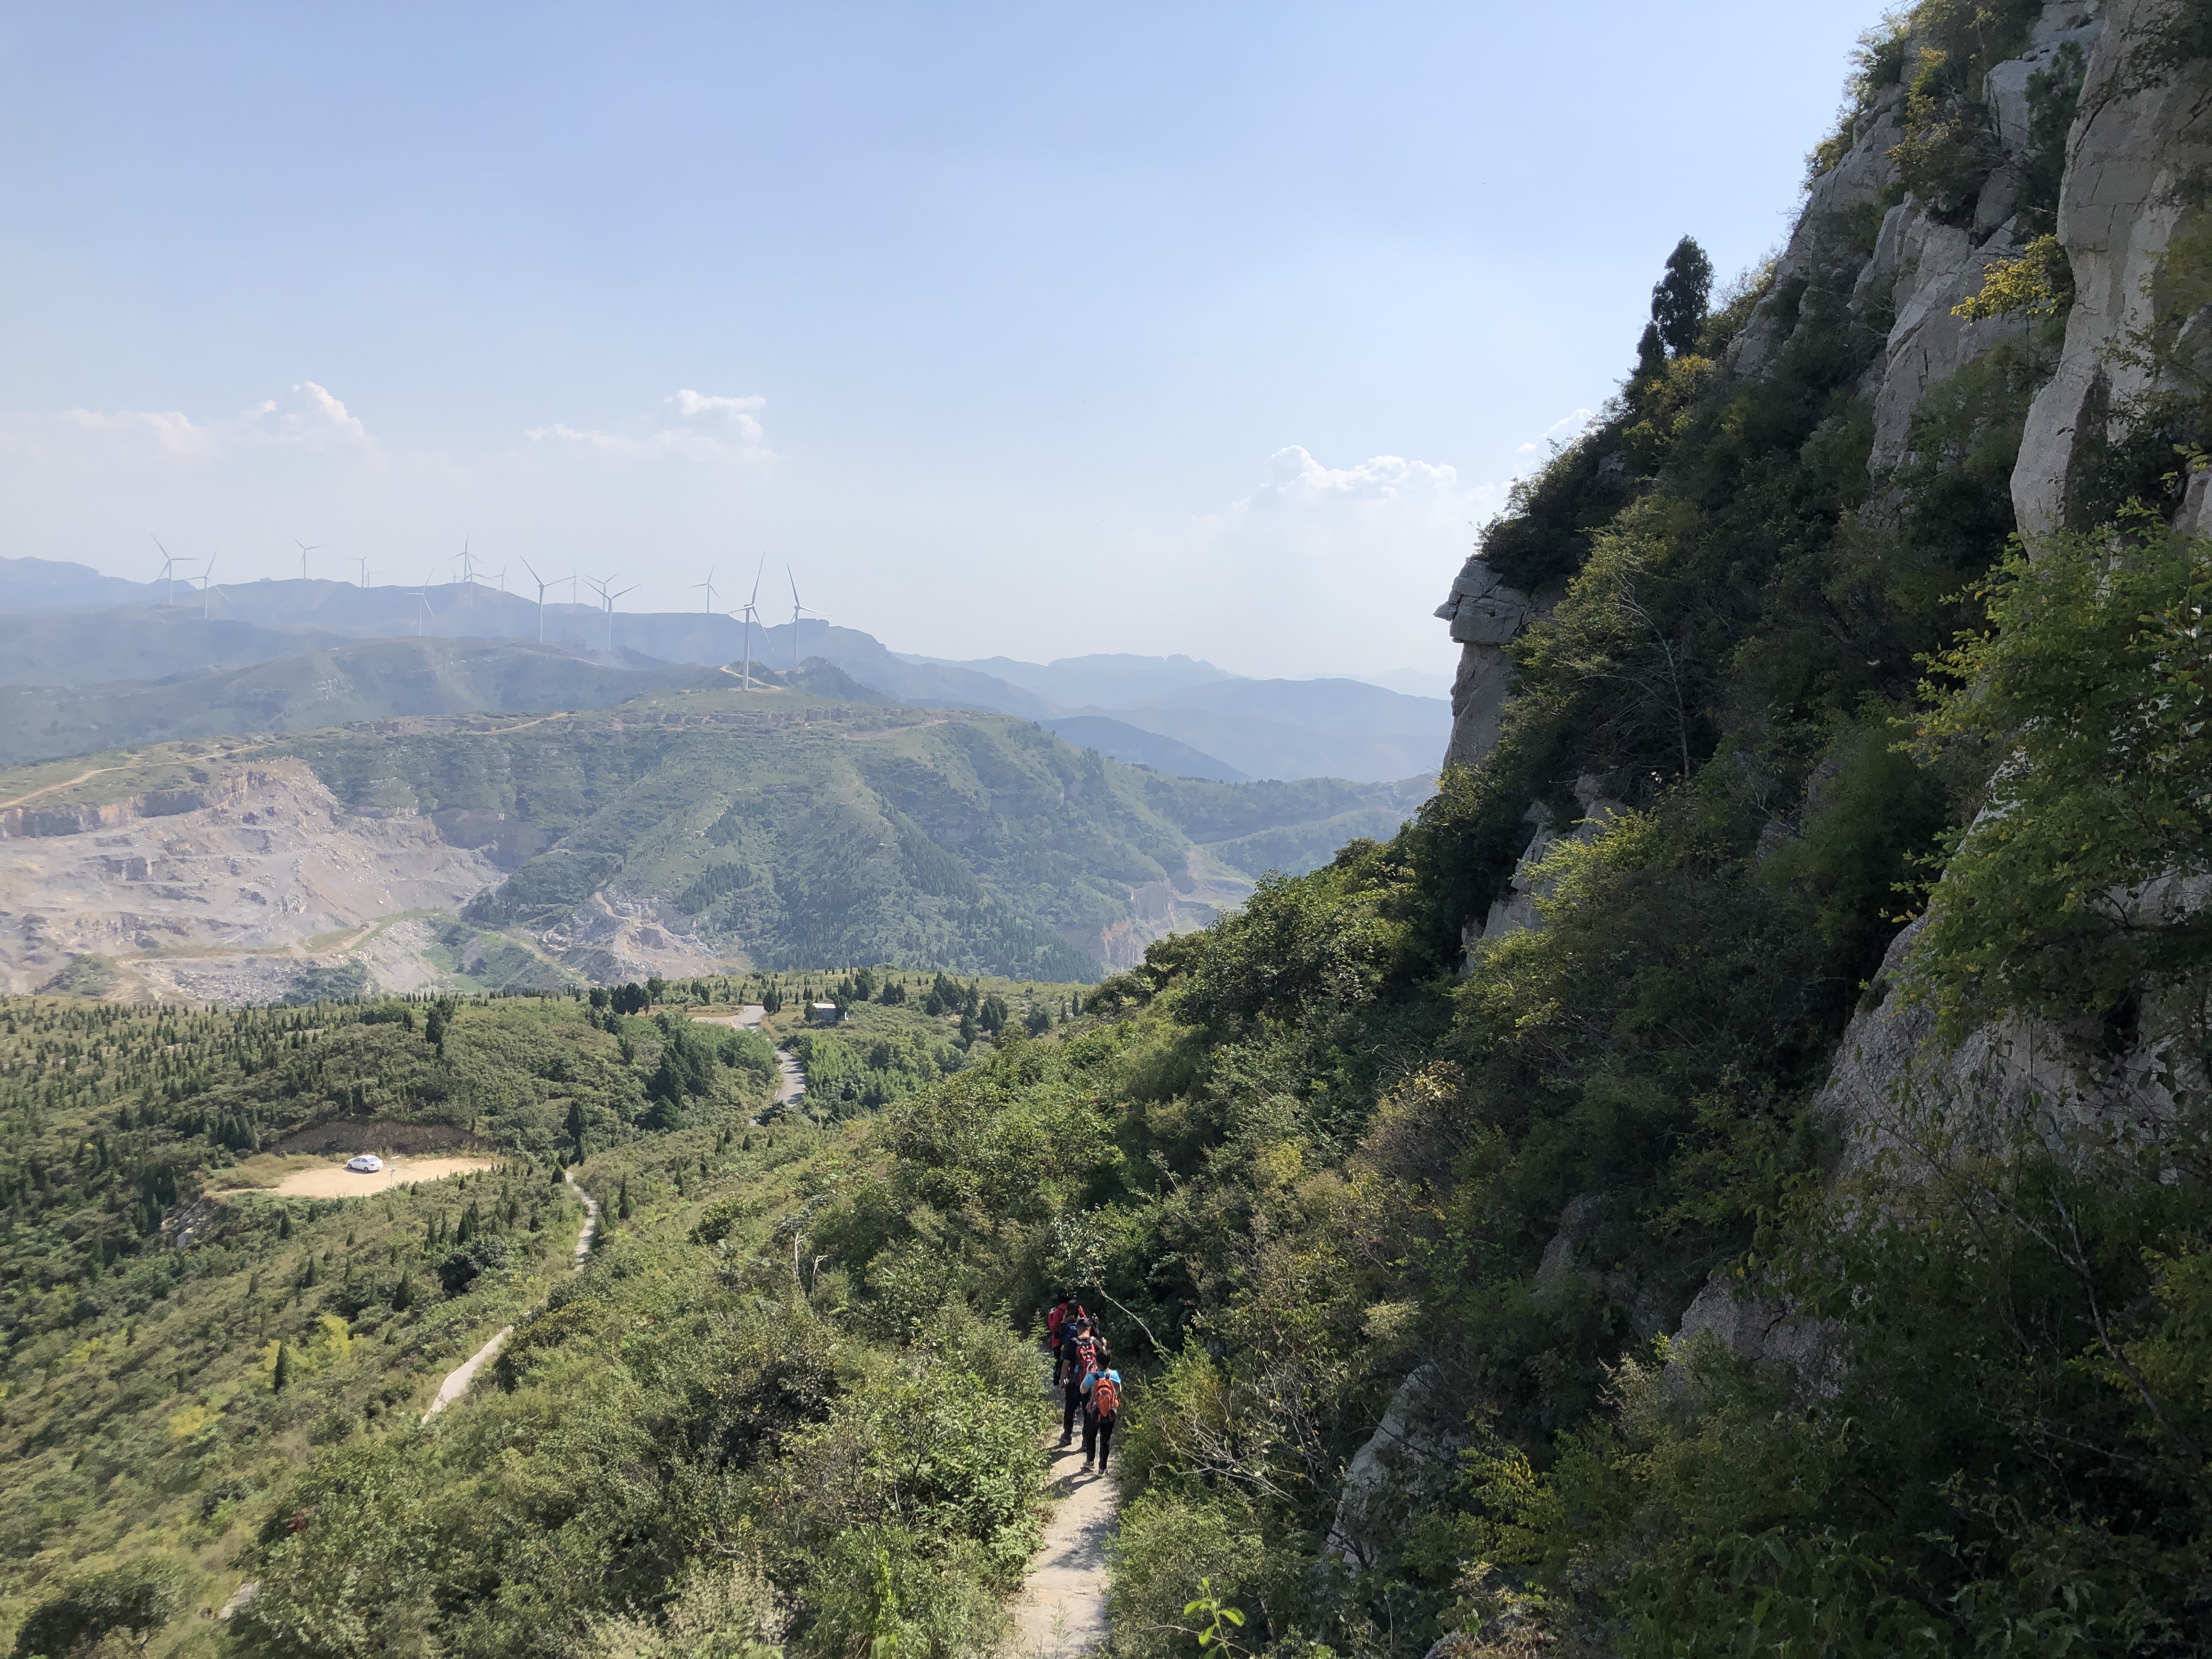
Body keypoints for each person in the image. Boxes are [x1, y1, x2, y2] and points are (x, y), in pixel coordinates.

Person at [1061, 1317, 1099, 1445]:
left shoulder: (1073, 1343)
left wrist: (1062, 1380)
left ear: (1078, 1329)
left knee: (1070, 1409)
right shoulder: (1096, 1342)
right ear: (1089, 1329)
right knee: (1088, 1412)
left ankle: (1067, 1435)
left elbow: (1066, 1363)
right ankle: (1086, 1441)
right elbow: (1103, 1362)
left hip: (1074, 1382)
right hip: (1090, 1384)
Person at [1081, 1361, 1122, 1471]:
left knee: (1091, 1437)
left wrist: (1087, 1373)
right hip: (1110, 1413)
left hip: (1094, 1412)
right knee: (1105, 1440)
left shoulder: (1092, 1376)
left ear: (1098, 1363)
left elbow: (1083, 1390)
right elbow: (1119, 1391)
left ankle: (1090, 1461)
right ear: (1109, 1362)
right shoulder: (1114, 1375)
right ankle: (1102, 1469)